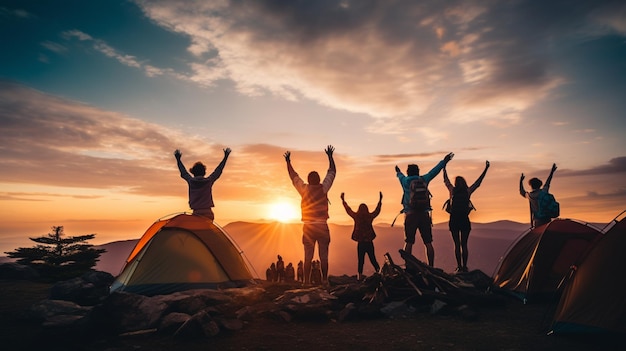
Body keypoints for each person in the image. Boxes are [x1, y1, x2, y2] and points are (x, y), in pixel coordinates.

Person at [284, 145, 337, 286]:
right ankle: (325, 281)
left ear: (308, 179)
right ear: (319, 179)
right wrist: (330, 156)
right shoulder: (324, 188)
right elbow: (332, 172)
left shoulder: (304, 189)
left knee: (308, 257)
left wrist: (288, 162)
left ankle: (306, 282)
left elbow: (294, 177)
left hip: (308, 227)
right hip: (322, 226)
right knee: (324, 257)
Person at [395, 152, 454, 266]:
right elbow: (434, 171)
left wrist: (397, 171)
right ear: (418, 171)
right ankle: (431, 266)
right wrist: (445, 161)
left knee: (409, 242)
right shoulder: (424, 179)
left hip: (410, 215)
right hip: (424, 214)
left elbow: (400, 175)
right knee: (428, 242)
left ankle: (408, 266)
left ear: (408, 172)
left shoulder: (405, 181)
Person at [443, 160, 490, 273]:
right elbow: (478, 182)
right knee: (464, 244)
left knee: (456, 244)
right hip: (464, 220)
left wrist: (444, 168)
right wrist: (486, 169)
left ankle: (459, 266)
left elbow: (446, 181)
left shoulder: (452, 191)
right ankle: (465, 267)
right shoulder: (467, 191)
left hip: (453, 220)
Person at [174, 148, 231, 220]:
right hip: (208, 213)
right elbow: (218, 170)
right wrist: (225, 157)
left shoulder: (191, 181)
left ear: (193, 172)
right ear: (204, 172)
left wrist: (178, 159)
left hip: (196, 214)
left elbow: (183, 171)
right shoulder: (209, 181)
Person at [341, 191, 382, 281]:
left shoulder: (357, 216)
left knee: (360, 260)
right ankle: (380, 273)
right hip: (369, 242)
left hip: (361, 243)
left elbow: (348, 210)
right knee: (373, 259)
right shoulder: (369, 216)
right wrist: (380, 201)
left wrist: (343, 200)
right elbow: (377, 211)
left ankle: (359, 276)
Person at [520, 163, 558, 228]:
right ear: (540, 184)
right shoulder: (543, 192)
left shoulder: (529, 196)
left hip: (537, 222)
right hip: (547, 219)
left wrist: (521, 181)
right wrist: (552, 172)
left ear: (531, 185)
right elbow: (548, 183)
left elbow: (522, 192)